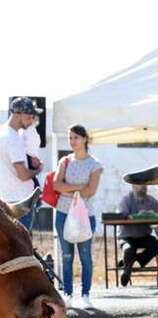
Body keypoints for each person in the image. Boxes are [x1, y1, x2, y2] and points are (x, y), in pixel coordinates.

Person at [53, 125, 103, 308]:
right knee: (66, 255)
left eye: (76, 137)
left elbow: (90, 191)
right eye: (70, 138)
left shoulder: (95, 165)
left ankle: (85, 294)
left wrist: (69, 189)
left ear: (85, 139)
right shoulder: (65, 161)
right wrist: (78, 188)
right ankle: (67, 293)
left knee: (85, 257)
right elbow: (56, 185)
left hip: (85, 215)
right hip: (63, 213)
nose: (72, 141)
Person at [0, 97, 43, 230]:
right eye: (30, 116)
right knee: (20, 249)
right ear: (19, 114)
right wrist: (38, 170)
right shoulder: (12, 138)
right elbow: (23, 175)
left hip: (6, 198)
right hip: (19, 202)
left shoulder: (3, 132)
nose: (32, 120)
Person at [117, 185, 158, 287]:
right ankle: (126, 271)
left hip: (143, 235)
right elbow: (121, 214)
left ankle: (132, 260)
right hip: (127, 236)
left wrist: (152, 214)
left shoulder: (151, 200)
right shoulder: (126, 200)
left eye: (144, 185)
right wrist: (131, 217)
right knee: (128, 249)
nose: (143, 187)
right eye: (139, 185)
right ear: (133, 186)